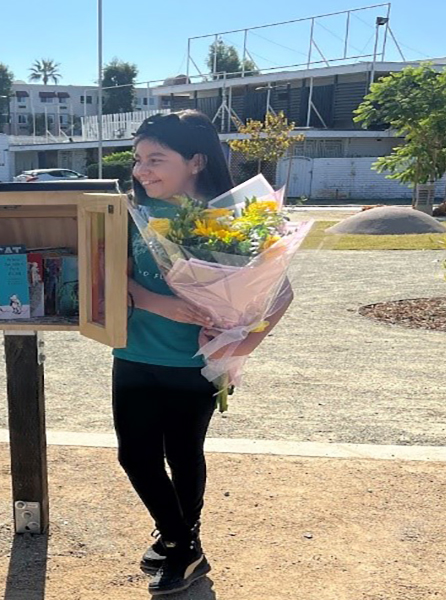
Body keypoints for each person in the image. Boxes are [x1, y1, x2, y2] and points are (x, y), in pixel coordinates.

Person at [113, 110, 293, 595]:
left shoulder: (236, 215)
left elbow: (280, 294)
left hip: (195, 364)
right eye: (138, 160)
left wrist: (238, 347)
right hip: (133, 353)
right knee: (135, 456)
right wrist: (158, 303)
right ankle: (182, 543)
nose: (142, 171)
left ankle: (179, 545)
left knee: (183, 453)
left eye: (155, 159)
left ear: (195, 161)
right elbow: (110, 275)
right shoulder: (133, 212)